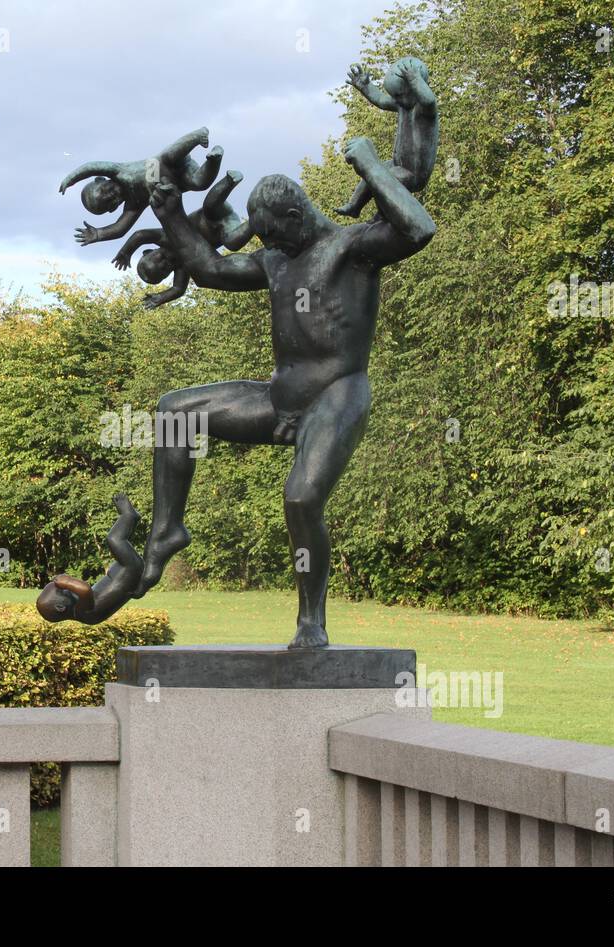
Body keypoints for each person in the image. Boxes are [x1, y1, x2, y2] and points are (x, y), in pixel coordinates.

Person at [134, 130, 436, 648]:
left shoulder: (353, 248)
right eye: (264, 240)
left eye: (273, 236)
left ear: (296, 217)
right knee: (174, 412)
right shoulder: (276, 261)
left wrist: (368, 164)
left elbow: (418, 228)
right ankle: (167, 531)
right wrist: (170, 215)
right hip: (279, 398)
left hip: (336, 396)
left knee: (299, 499)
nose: (268, 247)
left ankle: (310, 622)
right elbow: (208, 269)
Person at [111, 170, 255, 308]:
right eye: (165, 269)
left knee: (210, 206)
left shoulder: (164, 236)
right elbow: (178, 289)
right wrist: (161, 297)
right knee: (232, 243)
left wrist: (126, 252)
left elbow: (140, 235)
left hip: (212, 214)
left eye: (159, 258)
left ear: (149, 251)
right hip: (226, 228)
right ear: (168, 274)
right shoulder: (183, 265)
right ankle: (256, 220)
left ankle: (229, 181)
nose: (165, 262)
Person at [59, 127, 223, 246]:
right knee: (199, 183)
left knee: (166, 158)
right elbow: (120, 228)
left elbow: (92, 166)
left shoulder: (118, 171)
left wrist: (72, 178)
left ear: (101, 180)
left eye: (104, 191)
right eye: (108, 201)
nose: (109, 195)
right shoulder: (133, 205)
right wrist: (98, 234)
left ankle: (196, 137)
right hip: (179, 180)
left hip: (163, 164)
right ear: (113, 208)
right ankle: (214, 159)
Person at [335, 57, 438, 217]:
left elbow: (429, 100)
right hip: (398, 164)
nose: (396, 100)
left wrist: (416, 79)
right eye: (395, 96)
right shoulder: (403, 103)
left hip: (414, 174)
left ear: (415, 89)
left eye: (399, 95)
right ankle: (354, 206)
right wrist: (365, 87)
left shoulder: (424, 110)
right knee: (373, 171)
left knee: (382, 178)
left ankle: (384, 215)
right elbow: (381, 100)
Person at [36, 494, 144, 624]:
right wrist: (67, 581)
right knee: (114, 540)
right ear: (60, 607)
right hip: (129, 569)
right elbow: (85, 589)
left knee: (115, 543)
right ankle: (129, 516)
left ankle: (130, 518)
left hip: (125, 573)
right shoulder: (82, 612)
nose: (67, 588)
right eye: (64, 591)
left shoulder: (82, 612)